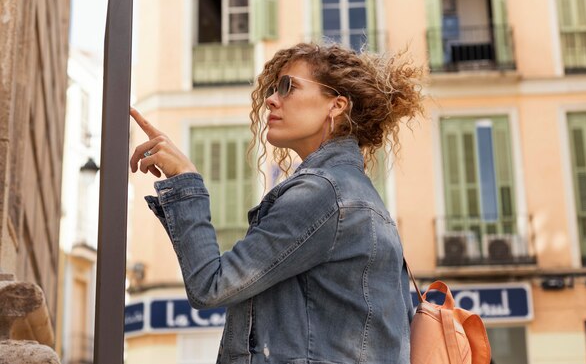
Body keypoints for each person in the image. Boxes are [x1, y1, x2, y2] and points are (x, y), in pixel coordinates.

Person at [130, 42, 425, 364]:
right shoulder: (356, 194)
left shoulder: (323, 193)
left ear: (337, 105)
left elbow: (211, 285)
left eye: (288, 87)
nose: (271, 99)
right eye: (273, 89)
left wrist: (184, 180)